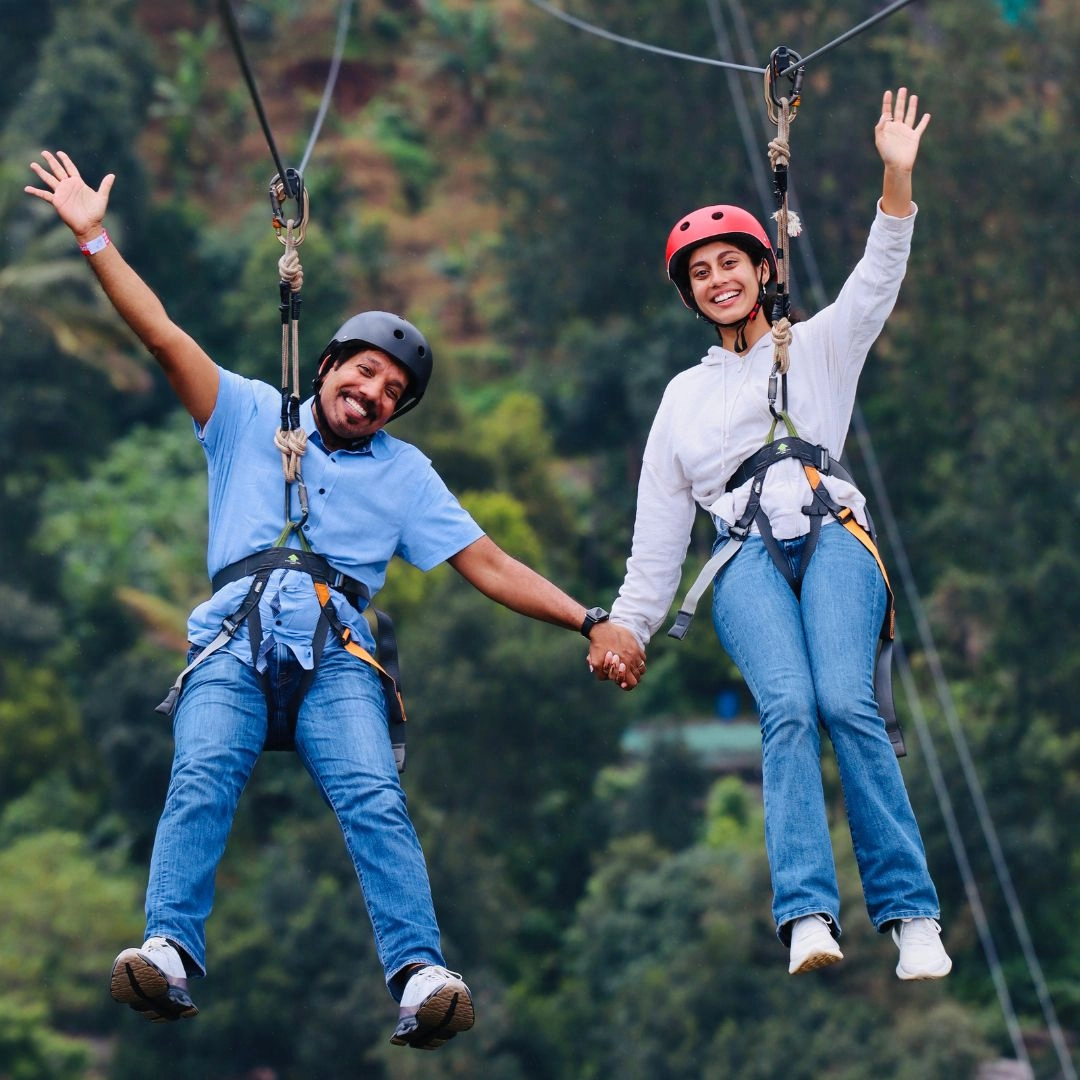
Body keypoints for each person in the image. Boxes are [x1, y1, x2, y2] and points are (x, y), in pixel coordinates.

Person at [25, 149, 645, 1049]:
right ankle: (168, 948)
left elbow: (487, 563)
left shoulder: (406, 476)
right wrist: (94, 240)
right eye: (363, 374)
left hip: (334, 659)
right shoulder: (243, 414)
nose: (373, 394)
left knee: (372, 792)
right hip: (231, 647)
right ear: (327, 365)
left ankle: (419, 971)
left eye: (392, 392)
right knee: (200, 776)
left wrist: (590, 618)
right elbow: (160, 333)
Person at [601, 88, 953, 981]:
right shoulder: (683, 400)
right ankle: (806, 915)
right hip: (744, 555)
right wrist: (628, 628)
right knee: (788, 709)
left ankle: (912, 916)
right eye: (702, 273)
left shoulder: (820, 344)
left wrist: (896, 179)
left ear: (763, 268)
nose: (720, 280)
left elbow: (880, 273)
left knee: (846, 702)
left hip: (833, 534)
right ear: (690, 295)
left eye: (732, 263)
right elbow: (658, 538)